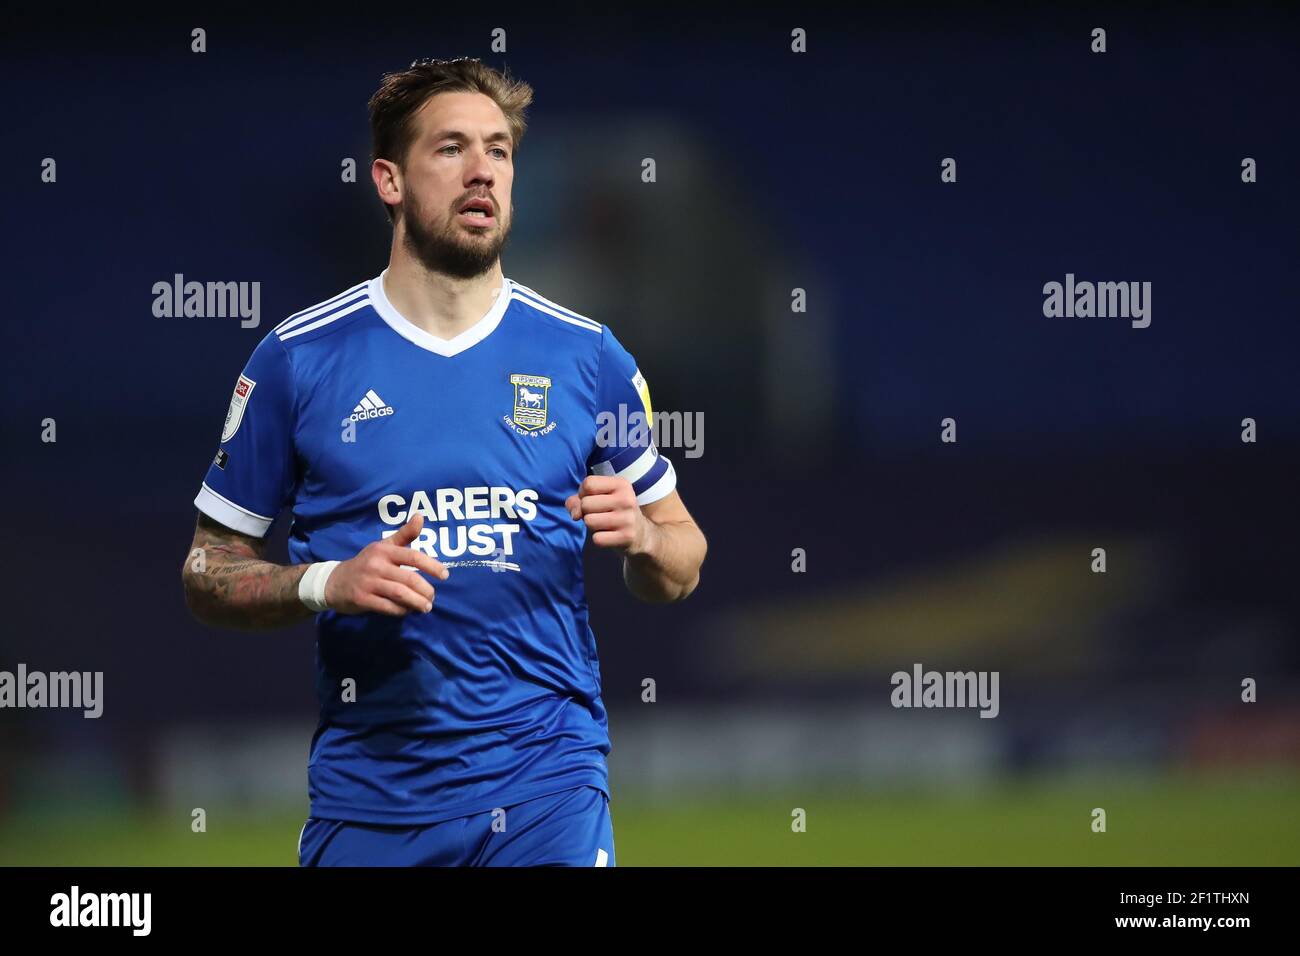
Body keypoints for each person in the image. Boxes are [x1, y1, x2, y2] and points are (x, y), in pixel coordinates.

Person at [180, 57, 707, 866]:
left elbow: (682, 558)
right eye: (452, 149)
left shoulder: (586, 355)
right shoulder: (298, 360)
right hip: (371, 799)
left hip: (548, 786)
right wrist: (326, 581)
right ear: (388, 180)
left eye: (498, 151)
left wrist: (642, 536)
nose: (482, 172)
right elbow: (207, 569)